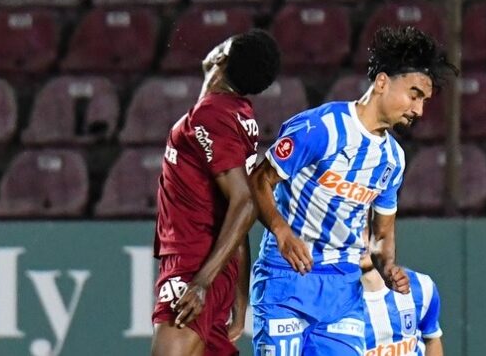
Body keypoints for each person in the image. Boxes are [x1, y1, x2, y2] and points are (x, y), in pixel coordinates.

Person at [248, 26, 457, 355]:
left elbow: (382, 236)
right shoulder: (321, 128)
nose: (419, 110)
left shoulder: (393, 160)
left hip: (343, 292)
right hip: (286, 279)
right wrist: (281, 231)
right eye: (414, 95)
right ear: (383, 82)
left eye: (424, 101)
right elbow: (259, 180)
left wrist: (388, 269)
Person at [152, 29, 281, 356]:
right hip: (213, 266)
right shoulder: (237, 115)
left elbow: (245, 202)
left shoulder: (211, 116)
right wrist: (239, 298)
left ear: (221, 57)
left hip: (194, 262)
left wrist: (201, 282)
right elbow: (236, 209)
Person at [361, 226, 444, 356]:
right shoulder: (332, 305)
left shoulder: (421, 286)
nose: (361, 241)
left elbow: (432, 339)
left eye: (364, 231)